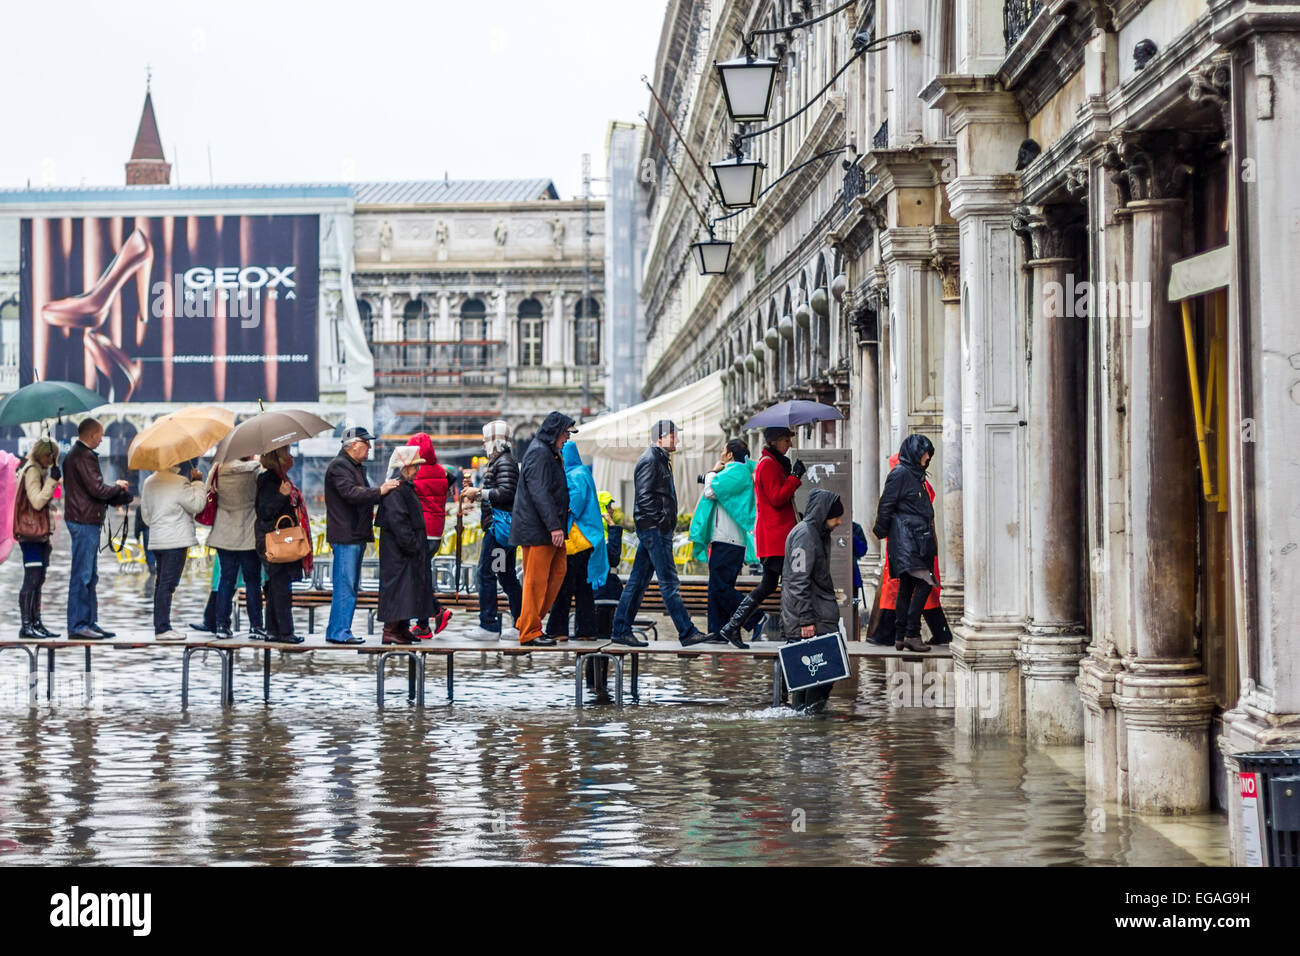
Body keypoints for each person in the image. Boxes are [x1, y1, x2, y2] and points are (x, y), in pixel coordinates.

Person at [610, 420, 707, 647]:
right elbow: (644, 497)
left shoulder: (658, 459)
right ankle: (686, 631)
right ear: (661, 437)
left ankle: (620, 629)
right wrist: (662, 522)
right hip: (654, 530)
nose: (677, 440)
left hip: (652, 529)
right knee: (669, 582)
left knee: (638, 582)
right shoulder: (651, 459)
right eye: (673, 435)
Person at [706, 426, 805, 648]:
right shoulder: (768, 465)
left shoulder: (771, 463)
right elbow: (777, 497)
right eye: (786, 440)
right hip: (776, 537)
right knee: (790, 584)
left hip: (778, 536)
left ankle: (733, 627)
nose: (789, 444)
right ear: (775, 441)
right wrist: (794, 478)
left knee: (770, 585)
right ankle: (792, 633)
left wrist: (790, 475)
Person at [867, 452, 951, 647]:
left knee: (909, 588)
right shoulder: (913, 482)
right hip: (913, 545)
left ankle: (901, 634)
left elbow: (892, 510)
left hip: (911, 545)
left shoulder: (910, 483)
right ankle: (903, 634)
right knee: (911, 589)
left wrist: (882, 530)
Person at [323, 427, 398, 646]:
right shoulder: (339, 466)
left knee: (350, 585)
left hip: (354, 534)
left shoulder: (353, 467)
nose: (369, 448)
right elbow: (351, 494)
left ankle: (339, 629)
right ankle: (339, 631)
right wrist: (380, 492)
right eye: (366, 444)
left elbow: (361, 493)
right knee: (345, 585)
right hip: (346, 535)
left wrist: (381, 493)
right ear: (354, 444)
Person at [509, 411, 576, 646]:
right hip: (539, 529)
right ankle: (529, 630)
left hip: (547, 529)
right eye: (566, 433)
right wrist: (554, 526)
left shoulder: (547, 452)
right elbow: (540, 493)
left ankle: (530, 621)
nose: (567, 437)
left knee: (557, 573)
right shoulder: (539, 453)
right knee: (535, 580)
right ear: (556, 432)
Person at [63, 417, 131, 640]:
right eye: (100, 435)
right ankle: (78, 625)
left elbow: (93, 491)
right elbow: (97, 489)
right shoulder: (82, 456)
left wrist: (115, 494)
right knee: (82, 575)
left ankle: (89, 622)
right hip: (83, 521)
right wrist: (118, 487)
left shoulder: (79, 455)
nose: (102, 439)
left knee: (90, 576)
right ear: (92, 435)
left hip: (85, 519)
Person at [690, 438, 763, 638]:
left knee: (719, 587)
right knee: (717, 590)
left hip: (729, 540)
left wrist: (713, 471)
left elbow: (710, 491)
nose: (721, 454)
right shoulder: (733, 472)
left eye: (723, 450)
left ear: (730, 454)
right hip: (725, 539)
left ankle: (754, 616)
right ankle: (719, 632)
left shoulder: (736, 472)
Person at [782, 488, 846, 711]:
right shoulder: (805, 535)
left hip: (816, 615)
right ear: (824, 513)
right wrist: (806, 620)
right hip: (811, 619)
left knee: (810, 678)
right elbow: (798, 580)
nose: (839, 522)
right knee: (822, 673)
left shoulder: (814, 533)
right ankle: (810, 723)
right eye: (836, 516)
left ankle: (805, 724)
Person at [872, 434, 937, 654]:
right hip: (908, 540)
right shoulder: (900, 473)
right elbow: (886, 504)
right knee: (926, 583)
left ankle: (900, 636)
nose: (928, 456)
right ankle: (912, 633)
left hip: (916, 539)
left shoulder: (915, 474)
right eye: (924, 452)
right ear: (914, 453)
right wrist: (880, 530)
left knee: (907, 586)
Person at [462, 420, 523, 640]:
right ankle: (519, 623)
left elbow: (506, 493)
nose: (483, 444)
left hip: (498, 530)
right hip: (504, 531)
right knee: (505, 575)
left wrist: (480, 492)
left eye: (486, 439)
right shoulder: (503, 461)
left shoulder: (503, 462)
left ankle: (488, 624)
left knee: (486, 573)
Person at [546, 442, 609, 642]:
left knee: (564, 586)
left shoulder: (574, 476)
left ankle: (557, 630)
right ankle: (586, 631)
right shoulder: (583, 472)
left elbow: (573, 504)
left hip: (576, 540)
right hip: (587, 540)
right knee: (583, 589)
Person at [139, 461, 207, 640]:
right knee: (168, 585)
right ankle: (163, 629)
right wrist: (198, 483)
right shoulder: (179, 482)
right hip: (176, 541)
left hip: (157, 540)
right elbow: (197, 505)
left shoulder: (148, 482)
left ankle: (161, 626)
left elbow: (146, 516)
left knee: (161, 584)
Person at [375, 446, 434, 644]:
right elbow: (398, 521)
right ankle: (390, 629)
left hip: (406, 549)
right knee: (397, 588)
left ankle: (401, 628)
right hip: (398, 551)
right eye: (414, 466)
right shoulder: (395, 490)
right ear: (404, 468)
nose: (417, 470)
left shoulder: (403, 487)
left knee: (407, 589)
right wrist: (412, 545)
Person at [256, 446, 310, 644]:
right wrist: (281, 495)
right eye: (287, 453)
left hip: (280, 539)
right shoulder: (269, 480)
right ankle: (285, 632)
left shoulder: (280, 478)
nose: (292, 456)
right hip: (275, 541)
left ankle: (273, 630)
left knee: (276, 586)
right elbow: (265, 512)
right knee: (280, 587)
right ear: (278, 458)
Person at [206, 455, 264, 639]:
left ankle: (222, 626)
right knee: (253, 581)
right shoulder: (255, 470)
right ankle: (256, 626)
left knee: (226, 579)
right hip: (248, 532)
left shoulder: (218, 469)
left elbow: (208, 491)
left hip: (224, 533)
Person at [404, 432, 454, 637]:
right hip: (436, 531)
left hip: (420, 530)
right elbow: (451, 480)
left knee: (418, 577)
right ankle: (423, 625)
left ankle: (437, 611)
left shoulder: (416, 472)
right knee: (421, 574)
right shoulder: (442, 472)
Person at [14, 437, 61, 638]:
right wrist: (52, 481)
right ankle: (27, 625)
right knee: (32, 578)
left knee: (39, 578)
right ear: (42, 453)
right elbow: (36, 501)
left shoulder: (36, 470)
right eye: (50, 455)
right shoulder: (32, 471)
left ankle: (36, 622)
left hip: (37, 534)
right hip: (30, 534)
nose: (52, 460)